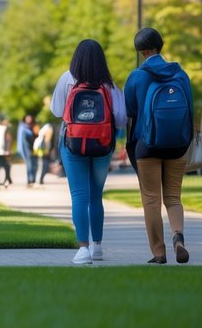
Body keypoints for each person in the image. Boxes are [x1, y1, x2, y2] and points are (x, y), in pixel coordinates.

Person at [49, 39, 128, 265]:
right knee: (96, 195)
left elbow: (56, 111)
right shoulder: (109, 85)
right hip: (102, 145)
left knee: (79, 195)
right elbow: (121, 120)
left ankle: (82, 248)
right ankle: (98, 247)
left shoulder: (67, 79)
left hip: (73, 144)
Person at [122, 27, 192, 264]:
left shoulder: (137, 76)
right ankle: (178, 237)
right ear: (159, 46)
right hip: (178, 144)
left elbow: (128, 112)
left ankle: (159, 252)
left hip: (147, 145)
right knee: (173, 197)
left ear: (142, 52)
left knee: (151, 199)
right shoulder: (180, 74)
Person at [33, 119, 55, 184]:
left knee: (41, 164)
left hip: (40, 149)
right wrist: (47, 150)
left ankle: (39, 180)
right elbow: (47, 141)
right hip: (43, 150)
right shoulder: (49, 129)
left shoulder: (43, 130)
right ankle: (40, 180)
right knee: (43, 165)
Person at [17, 114, 37, 186]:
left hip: (34, 149)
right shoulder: (24, 128)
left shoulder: (33, 127)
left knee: (34, 165)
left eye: (30, 118)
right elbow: (23, 142)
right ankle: (30, 180)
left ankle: (33, 179)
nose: (29, 119)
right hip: (28, 150)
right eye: (27, 118)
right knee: (29, 164)